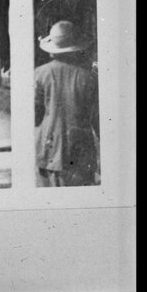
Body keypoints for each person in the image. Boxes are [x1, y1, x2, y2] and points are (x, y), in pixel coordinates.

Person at [34, 21, 99, 187]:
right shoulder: (89, 77)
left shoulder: (40, 74)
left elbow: (35, 115)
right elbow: (97, 120)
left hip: (48, 147)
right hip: (80, 149)